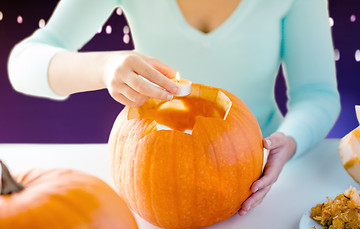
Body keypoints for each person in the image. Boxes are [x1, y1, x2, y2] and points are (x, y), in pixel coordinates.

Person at [7, 0, 340, 216]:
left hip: (263, 172)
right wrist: (104, 67)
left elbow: (317, 93)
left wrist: (290, 139)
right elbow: (23, 64)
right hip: (154, 167)